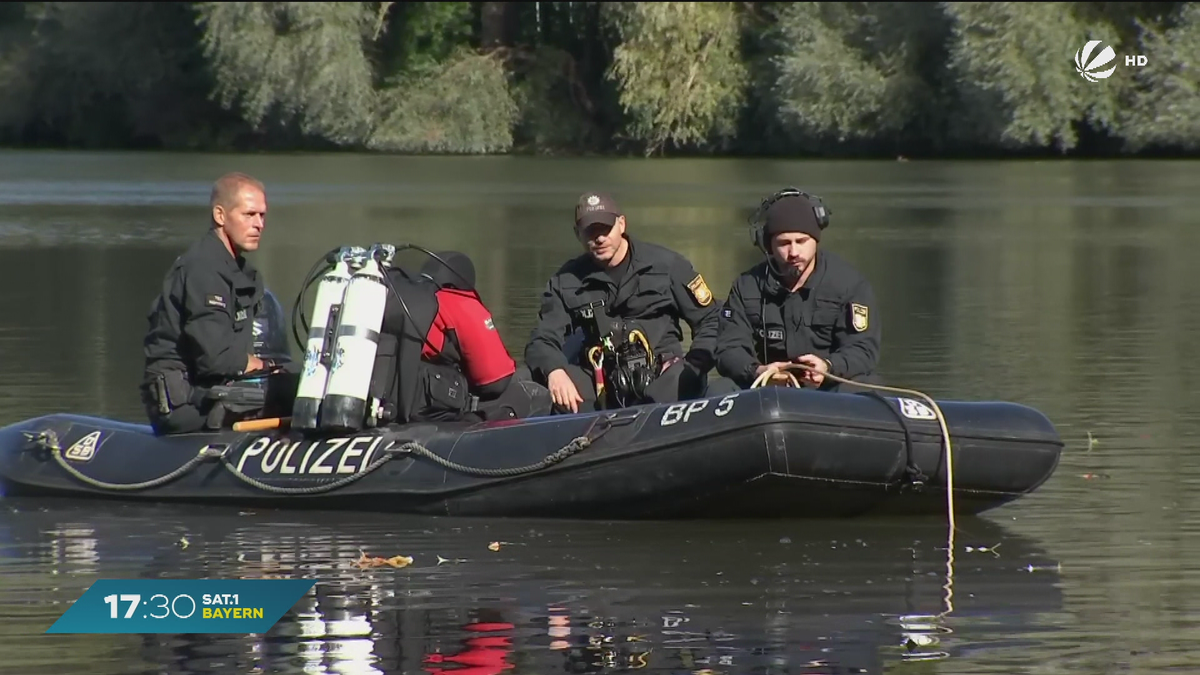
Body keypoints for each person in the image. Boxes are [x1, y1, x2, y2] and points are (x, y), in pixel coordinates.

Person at [524, 192, 720, 413]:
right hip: (603, 378)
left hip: (664, 374)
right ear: (577, 233)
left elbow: (711, 320)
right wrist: (554, 371)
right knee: (539, 389)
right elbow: (542, 338)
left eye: (605, 229)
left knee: (666, 392)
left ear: (622, 224)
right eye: (590, 231)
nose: (599, 238)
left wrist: (694, 365)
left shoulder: (667, 266)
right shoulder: (566, 281)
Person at [140, 172, 298, 435]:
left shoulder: (238, 271)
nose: (259, 224)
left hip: (213, 391)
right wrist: (266, 367)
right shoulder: (203, 268)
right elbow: (217, 359)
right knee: (289, 388)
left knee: (302, 381)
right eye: (249, 215)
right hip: (185, 405)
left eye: (262, 215)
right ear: (220, 216)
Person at [712, 188, 881, 393]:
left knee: (868, 389)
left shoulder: (849, 284)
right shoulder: (746, 286)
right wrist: (758, 371)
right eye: (784, 243)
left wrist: (828, 366)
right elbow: (728, 348)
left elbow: (862, 349)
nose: (793, 252)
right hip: (766, 391)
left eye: (801, 242)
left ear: (815, 240)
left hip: (829, 387)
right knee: (719, 390)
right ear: (768, 246)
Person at [413, 250, 551, 422]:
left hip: (406, 399)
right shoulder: (458, 303)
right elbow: (495, 380)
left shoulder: (406, 301)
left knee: (524, 375)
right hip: (440, 408)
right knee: (534, 395)